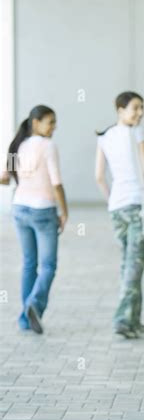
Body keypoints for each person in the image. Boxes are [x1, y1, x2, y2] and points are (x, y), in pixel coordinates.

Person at [0, 105, 68, 334]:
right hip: (43, 211)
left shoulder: (16, 145)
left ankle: (25, 319)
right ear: (36, 122)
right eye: (51, 122)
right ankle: (33, 307)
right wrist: (65, 212)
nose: (54, 127)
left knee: (29, 263)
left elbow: (4, 179)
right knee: (48, 265)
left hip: (19, 209)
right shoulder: (48, 146)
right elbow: (56, 183)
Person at [95, 91, 144, 339]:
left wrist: (111, 200)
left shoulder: (104, 137)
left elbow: (98, 176)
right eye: (135, 108)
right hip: (137, 205)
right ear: (120, 110)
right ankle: (121, 320)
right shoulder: (136, 133)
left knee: (128, 264)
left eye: (142, 108)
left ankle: (134, 320)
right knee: (134, 266)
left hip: (117, 207)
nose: (140, 113)